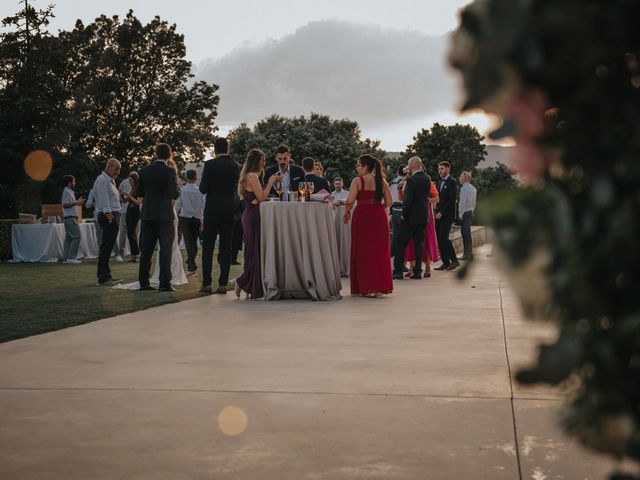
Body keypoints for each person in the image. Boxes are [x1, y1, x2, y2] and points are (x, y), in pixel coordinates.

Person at [343, 154, 393, 297]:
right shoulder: (382, 181)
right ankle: (378, 287)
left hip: (362, 216)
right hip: (379, 216)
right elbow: (389, 201)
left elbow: (350, 200)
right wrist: (377, 207)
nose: (357, 168)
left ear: (365, 167)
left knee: (363, 251)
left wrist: (347, 212)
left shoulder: (357, 181)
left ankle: (367, 287)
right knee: (379, 251)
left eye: (358, 165)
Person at [234, 149, 281, 299]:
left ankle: (249, 284)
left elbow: (255, 199)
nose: (264, 163)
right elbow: (261, 197)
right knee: (253, 252)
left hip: (251, 214)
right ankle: (242, 281)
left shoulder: (248, 175)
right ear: (257, 161)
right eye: (262, 160)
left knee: (253, 252)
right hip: (253, 216)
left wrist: (257, 199)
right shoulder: (252, 176)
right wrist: (270, 182)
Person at [137, 143, 181, 291]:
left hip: (148, 215)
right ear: (169, 155)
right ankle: (164, 283)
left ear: (156, 154)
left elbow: (140, 193)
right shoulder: (169, 171)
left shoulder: (144, 171)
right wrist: (178, 187)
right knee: (165, 250)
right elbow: (174, 194)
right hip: (164, 216)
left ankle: (143, 283)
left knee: (146, 251)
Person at [199, 137, 241, 294]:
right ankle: (223, 284)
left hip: (212, 210)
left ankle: (207, 283)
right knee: (226, 247)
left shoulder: (210, 165)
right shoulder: (236, 166)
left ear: (215, 149)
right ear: (227, 149)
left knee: (208, 248)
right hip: (229, 210)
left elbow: (203, 189)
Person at [391, 157, 430, 280]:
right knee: (419, 244)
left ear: (411, 166)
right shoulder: (427, 178)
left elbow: (408, 200)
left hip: (410, 217)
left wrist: (403, 213)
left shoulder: (412, 180)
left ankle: (397, 272)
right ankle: (417, 272)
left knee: (400, 243)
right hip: (423, 216)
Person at [92, 158, 123, 286]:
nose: (118, 172)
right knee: (106, 247)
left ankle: (106, 276)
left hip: (112, 215)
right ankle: (103, 278)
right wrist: (110, 216)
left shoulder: (110, 181)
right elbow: (104, 201)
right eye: (117, 169)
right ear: (109, 167)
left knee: (108, 247)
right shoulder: (103, 180)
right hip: (108, 216)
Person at [403, 179, 440, 277]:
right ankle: (412, 267)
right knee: (411, 241)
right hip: (412, 214)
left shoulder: (428, 183)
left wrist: (424, 200)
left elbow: (436, 199)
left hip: (426, 214)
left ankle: (427, 268)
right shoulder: (409, 182)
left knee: (425, 241)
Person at [177, 169, 204, 276]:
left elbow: (178, 205)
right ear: (196, 178)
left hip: (184, 218)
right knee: (194, 242)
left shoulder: (183, 190)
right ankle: (191, 264)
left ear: (186, 178)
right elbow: (202, 207)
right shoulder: (200, 191)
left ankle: (191, 266)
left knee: (189, 242)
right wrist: (202, 220)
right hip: (196, 218)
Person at [434, 161, 460, 271]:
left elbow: (451, 200)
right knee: (439, 239)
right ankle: (445, 262)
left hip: (447, 215)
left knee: (444, 238)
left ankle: (454, 260)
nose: (440, 171)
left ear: (448, 169)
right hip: (438, 214)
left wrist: (442, 212)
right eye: (439, 169)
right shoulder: (439, 182)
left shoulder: (452, 182)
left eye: (442, 169)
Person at [61, 175, 85, 264]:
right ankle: (71, 258)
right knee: (77, 236)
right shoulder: (67, 191)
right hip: (70, 218)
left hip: (68, 218)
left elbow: (69, 204)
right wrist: (76, 202)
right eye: (74, 181)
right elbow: (65, 205)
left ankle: (66, 258)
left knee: (69, 238)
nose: (75, 183)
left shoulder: (69, 191)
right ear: (69, 182)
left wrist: (76, 202)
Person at [121, 171, 141, 262]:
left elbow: (138, 202)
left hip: (135, 211)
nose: (129, 182)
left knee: (132, 233)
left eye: (130, 180)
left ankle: (136, 254)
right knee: (130, 233)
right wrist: (122, 195)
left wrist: (129, 196)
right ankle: (134, 255)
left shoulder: (139, 189)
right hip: (129, 210)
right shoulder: (132, 189)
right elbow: (125, 201)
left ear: (135, 180)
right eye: (129, 180)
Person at [458, 171, 477, 261]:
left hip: (465, 213)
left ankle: (467, 255)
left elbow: (462, 202)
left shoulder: (464, 188)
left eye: (461, 176)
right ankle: (469, 254)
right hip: (470, 212)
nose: (459, 178)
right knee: (468, 234)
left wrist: (460, 214)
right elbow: (474, 202)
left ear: (465, 178)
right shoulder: (473, 188)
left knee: (465, 234)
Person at [389, 164, 406, 246]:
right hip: (402, 210)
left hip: (394, 210)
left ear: (397, 172)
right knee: (404, 235)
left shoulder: (392, 181)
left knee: (395, 234)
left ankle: (393, 254)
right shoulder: (404, 181)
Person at [115, 176, 131, 261]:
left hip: (125, 209)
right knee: (130, 231)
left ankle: (121, 251)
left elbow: (118, 193)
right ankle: (134, 251)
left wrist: (122, 196)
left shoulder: (124, 181)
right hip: (128, 209)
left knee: (123, 231)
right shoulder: (137, 181)